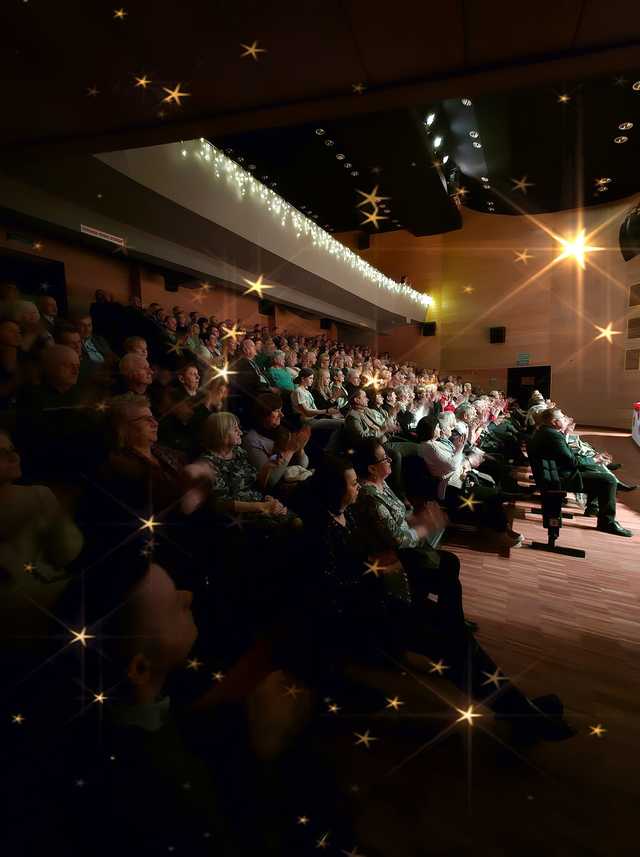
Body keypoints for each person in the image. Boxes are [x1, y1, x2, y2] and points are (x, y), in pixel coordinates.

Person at [295, 456, 574, 743]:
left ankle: (518, 710)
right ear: (333, 490)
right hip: (364, 616)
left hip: (384, 600)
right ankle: (520, 714)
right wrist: (386, 565)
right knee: (454, 643)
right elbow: (341, 584)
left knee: (459, 639)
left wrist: (399, 548)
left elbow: (372, 558)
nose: (357, 488)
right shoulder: (321, 531)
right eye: (352, 484)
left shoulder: (346, 513)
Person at [417, 415, 521, 547]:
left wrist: (463, 459)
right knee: (492, 495)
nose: (440, 429)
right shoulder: (428, 446)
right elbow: (452, 464)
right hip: (450, 486)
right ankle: (501, 533)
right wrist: (459, 449)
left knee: (492, 493)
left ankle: (502, 528)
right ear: (429, 430)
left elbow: (455, 461)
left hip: (458, 479)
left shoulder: (435, 443)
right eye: (437, 427)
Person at [528, 408, 632, 537]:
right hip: (558, 479)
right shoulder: (552, 435)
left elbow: (567, 458)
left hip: (552, 473)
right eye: (562, 417)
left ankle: (593, 507)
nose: (565, 418)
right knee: (608, 480)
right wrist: (594, 459)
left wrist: (592, 461)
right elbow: (572, 462)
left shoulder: (546, 432)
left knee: (596, 470)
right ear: (554, 422)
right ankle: (607, 522)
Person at [242, 393, 311, 494]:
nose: (282, 415)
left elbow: (302, 465)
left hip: (296, 481)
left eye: (281, 410)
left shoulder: (282, 431)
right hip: (277, 493)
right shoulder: (252, 440)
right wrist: (291, 450)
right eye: (276, 411)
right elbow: (270, 481)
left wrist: (300, 448)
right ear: (264, 414)